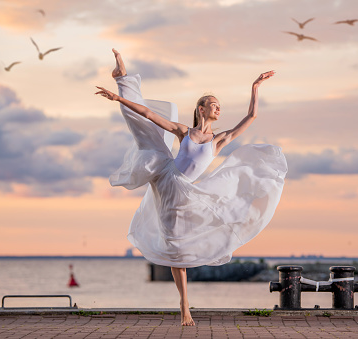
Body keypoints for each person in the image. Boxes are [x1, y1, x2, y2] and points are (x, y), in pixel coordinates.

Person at [95, 49, 287, 326]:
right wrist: (117, 100)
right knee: (145, 131)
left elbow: (251, 118)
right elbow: (149, 113)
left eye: (219, 105)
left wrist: (255, 86)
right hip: (165, 175)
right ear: (201, 109)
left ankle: (184, 304)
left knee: (177, 247)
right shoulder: (184, 132)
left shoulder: (218, 140)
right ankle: (122, 81)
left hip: (185, 191)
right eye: (214, 104)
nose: (218, 108)